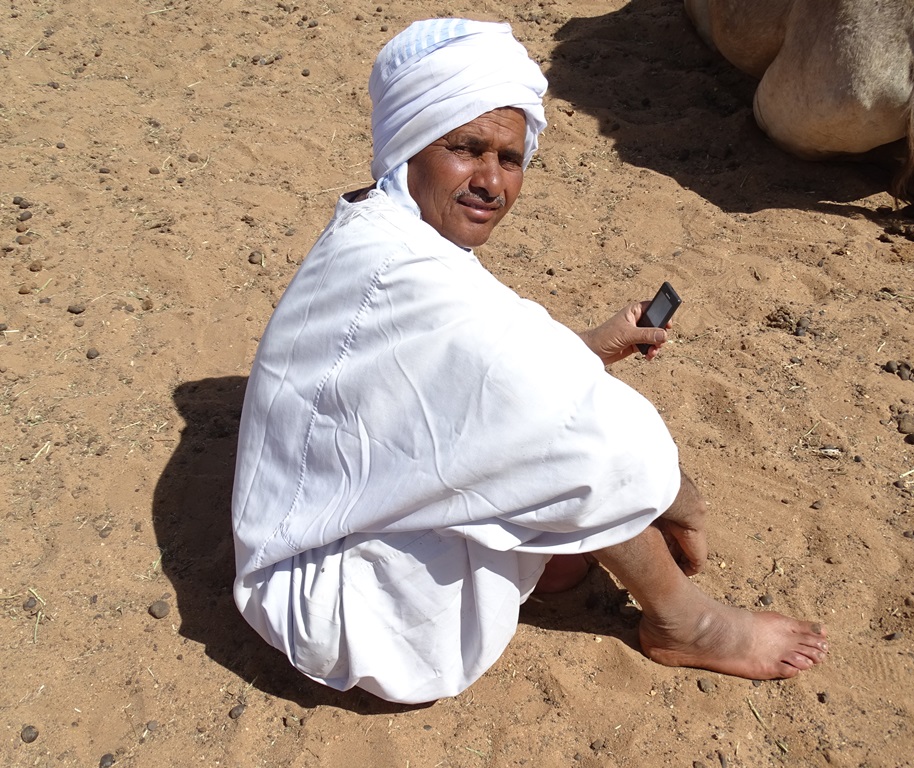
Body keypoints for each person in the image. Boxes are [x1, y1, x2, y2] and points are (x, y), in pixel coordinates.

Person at [231, 18, 827, 705]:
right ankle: (684, 620)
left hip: (325, 521)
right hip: (330, 596)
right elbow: (569, 420)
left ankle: (564, 559)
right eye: (466, 148)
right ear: (411, 144)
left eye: (510, 159)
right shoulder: (401, 272)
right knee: (584, 440)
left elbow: (467, 375)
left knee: (551, 420)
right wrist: (677, 495)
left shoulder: (383, 233)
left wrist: (591, 348)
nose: (491, 180)